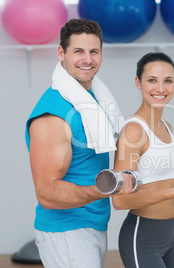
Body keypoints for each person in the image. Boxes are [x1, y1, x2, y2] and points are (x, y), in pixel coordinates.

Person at [25, 19, 137, 267]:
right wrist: (105, 188)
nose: (87, 59)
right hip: (66, 231)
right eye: (78, 51)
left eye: (93, 51)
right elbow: (47, 193)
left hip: (93, 224)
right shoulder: (53, 117)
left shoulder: (93, 100)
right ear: (61, 53)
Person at [112, 52, 174, 268]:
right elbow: (120, 200)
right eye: (152, 80)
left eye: (167, 81)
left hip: (172, 237)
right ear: (138, 83)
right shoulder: (134, 131)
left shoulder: (167, 127)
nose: (160, 88)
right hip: (143, 237)